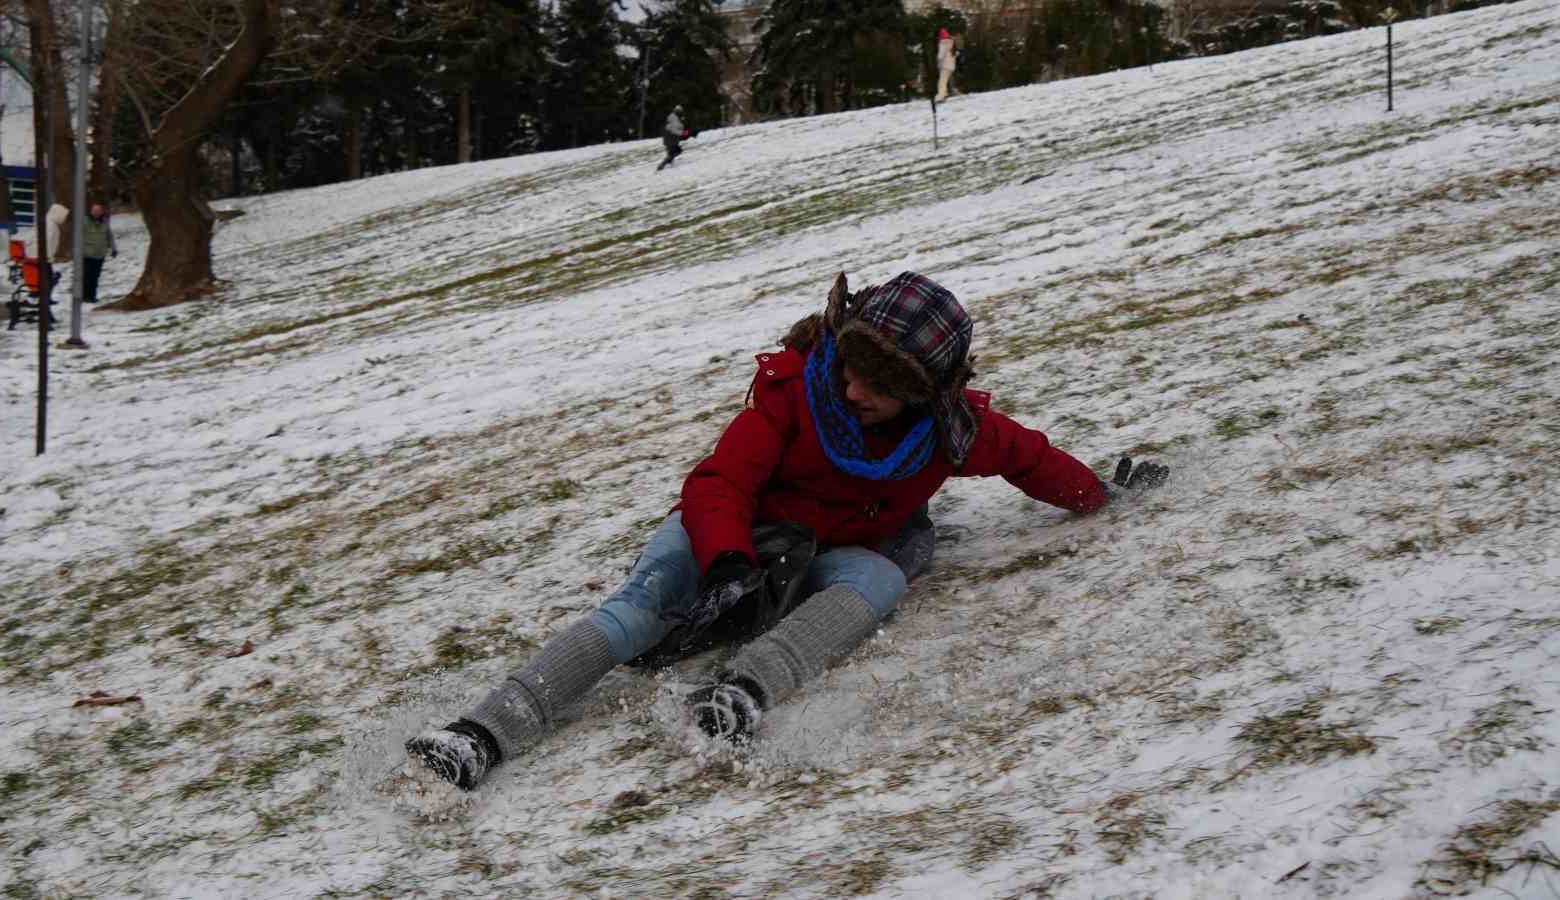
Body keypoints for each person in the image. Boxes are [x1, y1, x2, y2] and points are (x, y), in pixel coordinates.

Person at [406, 271, 1169, 789]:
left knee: (878, 581)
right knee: (644, 603)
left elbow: (1029, 457)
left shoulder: (951, 432)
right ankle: (482, 733)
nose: (853, 388)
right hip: (742, 535)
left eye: (882, 383)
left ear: (924, 392)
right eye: (851, 366)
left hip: (855, 546)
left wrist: (1097, 494)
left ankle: (742, 692)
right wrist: (727, 559)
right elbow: (720, 482)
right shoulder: (790, 395)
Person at [83, 204, 118, 304]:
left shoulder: (105, 222)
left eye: (98, 211)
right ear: (91, 211)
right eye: (94, 210)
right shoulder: (85, 221)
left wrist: (113, 248)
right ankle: (85, 296)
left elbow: (109, 236)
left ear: (102, 212)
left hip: (100, 254)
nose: (96, 213)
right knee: (87, 276)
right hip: (87, 253)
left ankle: (92, 295)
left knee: (95, 276)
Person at [656, 104, 695, 172]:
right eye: (680, 111)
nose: (681, 113)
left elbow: (678, 126)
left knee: (673, 151)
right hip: (671, 137)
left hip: (669, 137)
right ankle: (662, 164)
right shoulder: (675, 119)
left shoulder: (674, 117)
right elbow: (675, 130)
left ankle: (669, 162)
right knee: (677, 150)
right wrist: (685, 133)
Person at [936, 28, 958, 103]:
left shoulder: (943, 43)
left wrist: (938, 59)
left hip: (945, 65)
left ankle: (941, 96)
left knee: (941, 81)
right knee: (944, 81)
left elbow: (940, 55)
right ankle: (944, 94)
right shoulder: (952, 43)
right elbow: (956, 54)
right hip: (951, 66)